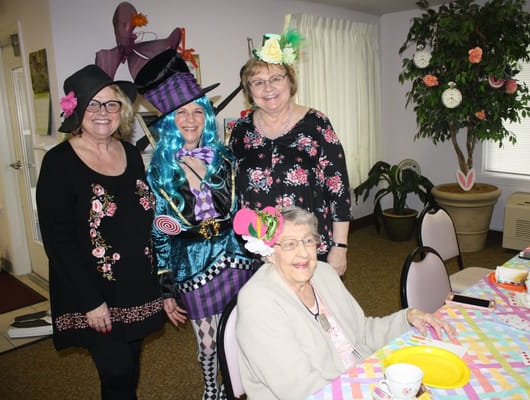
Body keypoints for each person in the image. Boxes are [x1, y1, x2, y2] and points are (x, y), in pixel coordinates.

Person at [36, 65, 164, 399]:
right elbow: (57, 240)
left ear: (122, 110)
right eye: (93, 104)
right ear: (75, 110)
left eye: (111, 104)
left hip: (136, 287)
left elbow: (140, 216)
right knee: (117, 374)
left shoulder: (132, 154)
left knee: (130, 370)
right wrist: (91, 302)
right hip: (92, 294)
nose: (103, 113)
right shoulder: (58, 163)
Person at [233, 206, 455, 400]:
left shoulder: (324, 274)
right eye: (290, 244)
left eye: (308, 241)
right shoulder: (258, 303)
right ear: (270, 253)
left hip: (361, 378)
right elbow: (301, 390)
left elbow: (363, 331)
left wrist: (407, 317)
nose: (303, 253)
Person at [135, 50, 257, 400]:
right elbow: (159, 231)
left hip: (236, 257)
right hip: (191, 265)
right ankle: (211, 391)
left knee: (242, 330)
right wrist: (165, 284)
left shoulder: (227, 157)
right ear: (170, 121)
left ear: (206, 115)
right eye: (180, 113)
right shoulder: (159, 170)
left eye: (197, 111)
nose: (190, 120)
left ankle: (241, 384)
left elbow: (242, 210)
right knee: (207, 342)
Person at [230, 30, 351, 276]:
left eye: (276, 78)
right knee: (269, 311)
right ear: (249, 90)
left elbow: (338, 187)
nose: (268, 88)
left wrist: (340, 246)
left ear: (290, 81)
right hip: (260, 250)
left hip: (309, 247)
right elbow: (233, 191)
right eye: (258, 82)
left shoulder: (316, 123)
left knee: (313, 310)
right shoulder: (240, 131)